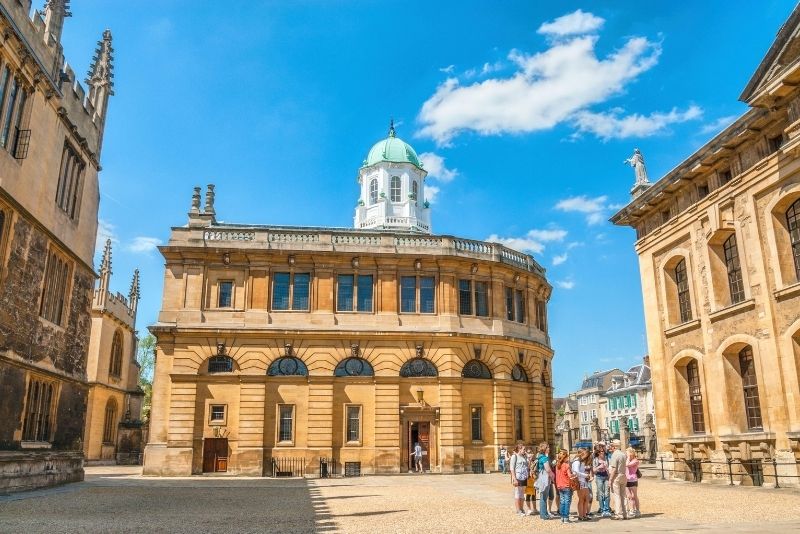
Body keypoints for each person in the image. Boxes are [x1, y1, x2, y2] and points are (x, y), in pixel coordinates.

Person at [534, 442, 556, 520]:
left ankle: (544, 513)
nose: (549, 448)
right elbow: (548, 469)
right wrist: (553, 476)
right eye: (548, 447)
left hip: (541, 478)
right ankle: (543, 515)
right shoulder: (544, 458)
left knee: (543, 496)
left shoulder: (540, 456)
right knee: (543, 497)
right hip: (544, 479)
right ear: (544, 449)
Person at [608, 439, 628, 520]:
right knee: (623, 495)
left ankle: (618, 514)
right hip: (623, 475)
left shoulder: (615, 455)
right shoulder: (623, 454)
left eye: (612, 445)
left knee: (617, 495)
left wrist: (610, 479)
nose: (611, 447)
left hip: (616, 476)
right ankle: (625, 513)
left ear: (614, 446)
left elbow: (614, 469)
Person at [554, 449, 575, 524]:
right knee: (567, 502)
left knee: (562, 502)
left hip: (559, 485)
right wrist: (574, 475)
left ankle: (562, 517)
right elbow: (570, 476)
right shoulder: (566, 465)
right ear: (565, 457)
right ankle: (566, 518)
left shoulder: (557, 465)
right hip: (566, 486)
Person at [571, 448, 592, 521]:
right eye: (586, 454)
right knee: (582, 499)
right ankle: (581, 516)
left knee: (587, 498)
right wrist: (585, 475)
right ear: (582, 453)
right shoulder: (577, 461)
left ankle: (584, 515)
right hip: (579, 481)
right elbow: (576, 472)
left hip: (583, 481)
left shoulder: (580, 461)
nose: (587, 456)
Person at [509, 443, 529, 516]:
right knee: (517, 493)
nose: (525, 450)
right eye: (524, 449)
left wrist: (528, 458)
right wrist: (514, 479)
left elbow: (527, 466)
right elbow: (511, 469)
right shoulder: (514, 456)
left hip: (524, 476)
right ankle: (518, 510)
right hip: (517, 477)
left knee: (522, 494)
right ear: (519, 449)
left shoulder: (524, 457)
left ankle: (522, 508)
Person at [593, 443, 612, 517]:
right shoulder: (595, 460)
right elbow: (594, 470)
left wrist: (606, 468)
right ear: (597, 453)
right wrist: (599, 467)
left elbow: (610, 470)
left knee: (607, 493)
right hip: (599, 477)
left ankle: (607, 509)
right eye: (600, 452)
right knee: (600, 493)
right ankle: (602, 508)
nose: (602, 453)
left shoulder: (607, 459)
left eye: (603, 451)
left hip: (607, 477)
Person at [626, 447, 641, 518]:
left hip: (633, 479)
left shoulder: (635, 461)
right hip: (627, 479)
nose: (626, 454)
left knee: (634, 496)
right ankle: (631, 509)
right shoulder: (627, 460)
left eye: (627, 453)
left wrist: (628, 457)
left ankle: (637, 510)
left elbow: (627, 465)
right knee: (629, 496)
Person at [524, 446, 538, 515]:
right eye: (528, 453)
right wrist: (529, 460)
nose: (530, 454)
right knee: (528, 494)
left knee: (534, 494)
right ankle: (529, 509)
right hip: (528, 479)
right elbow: (526, 469)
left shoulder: (535, 460)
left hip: (534, 479)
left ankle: (535, 508)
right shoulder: (525, 461)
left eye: (531, 452)